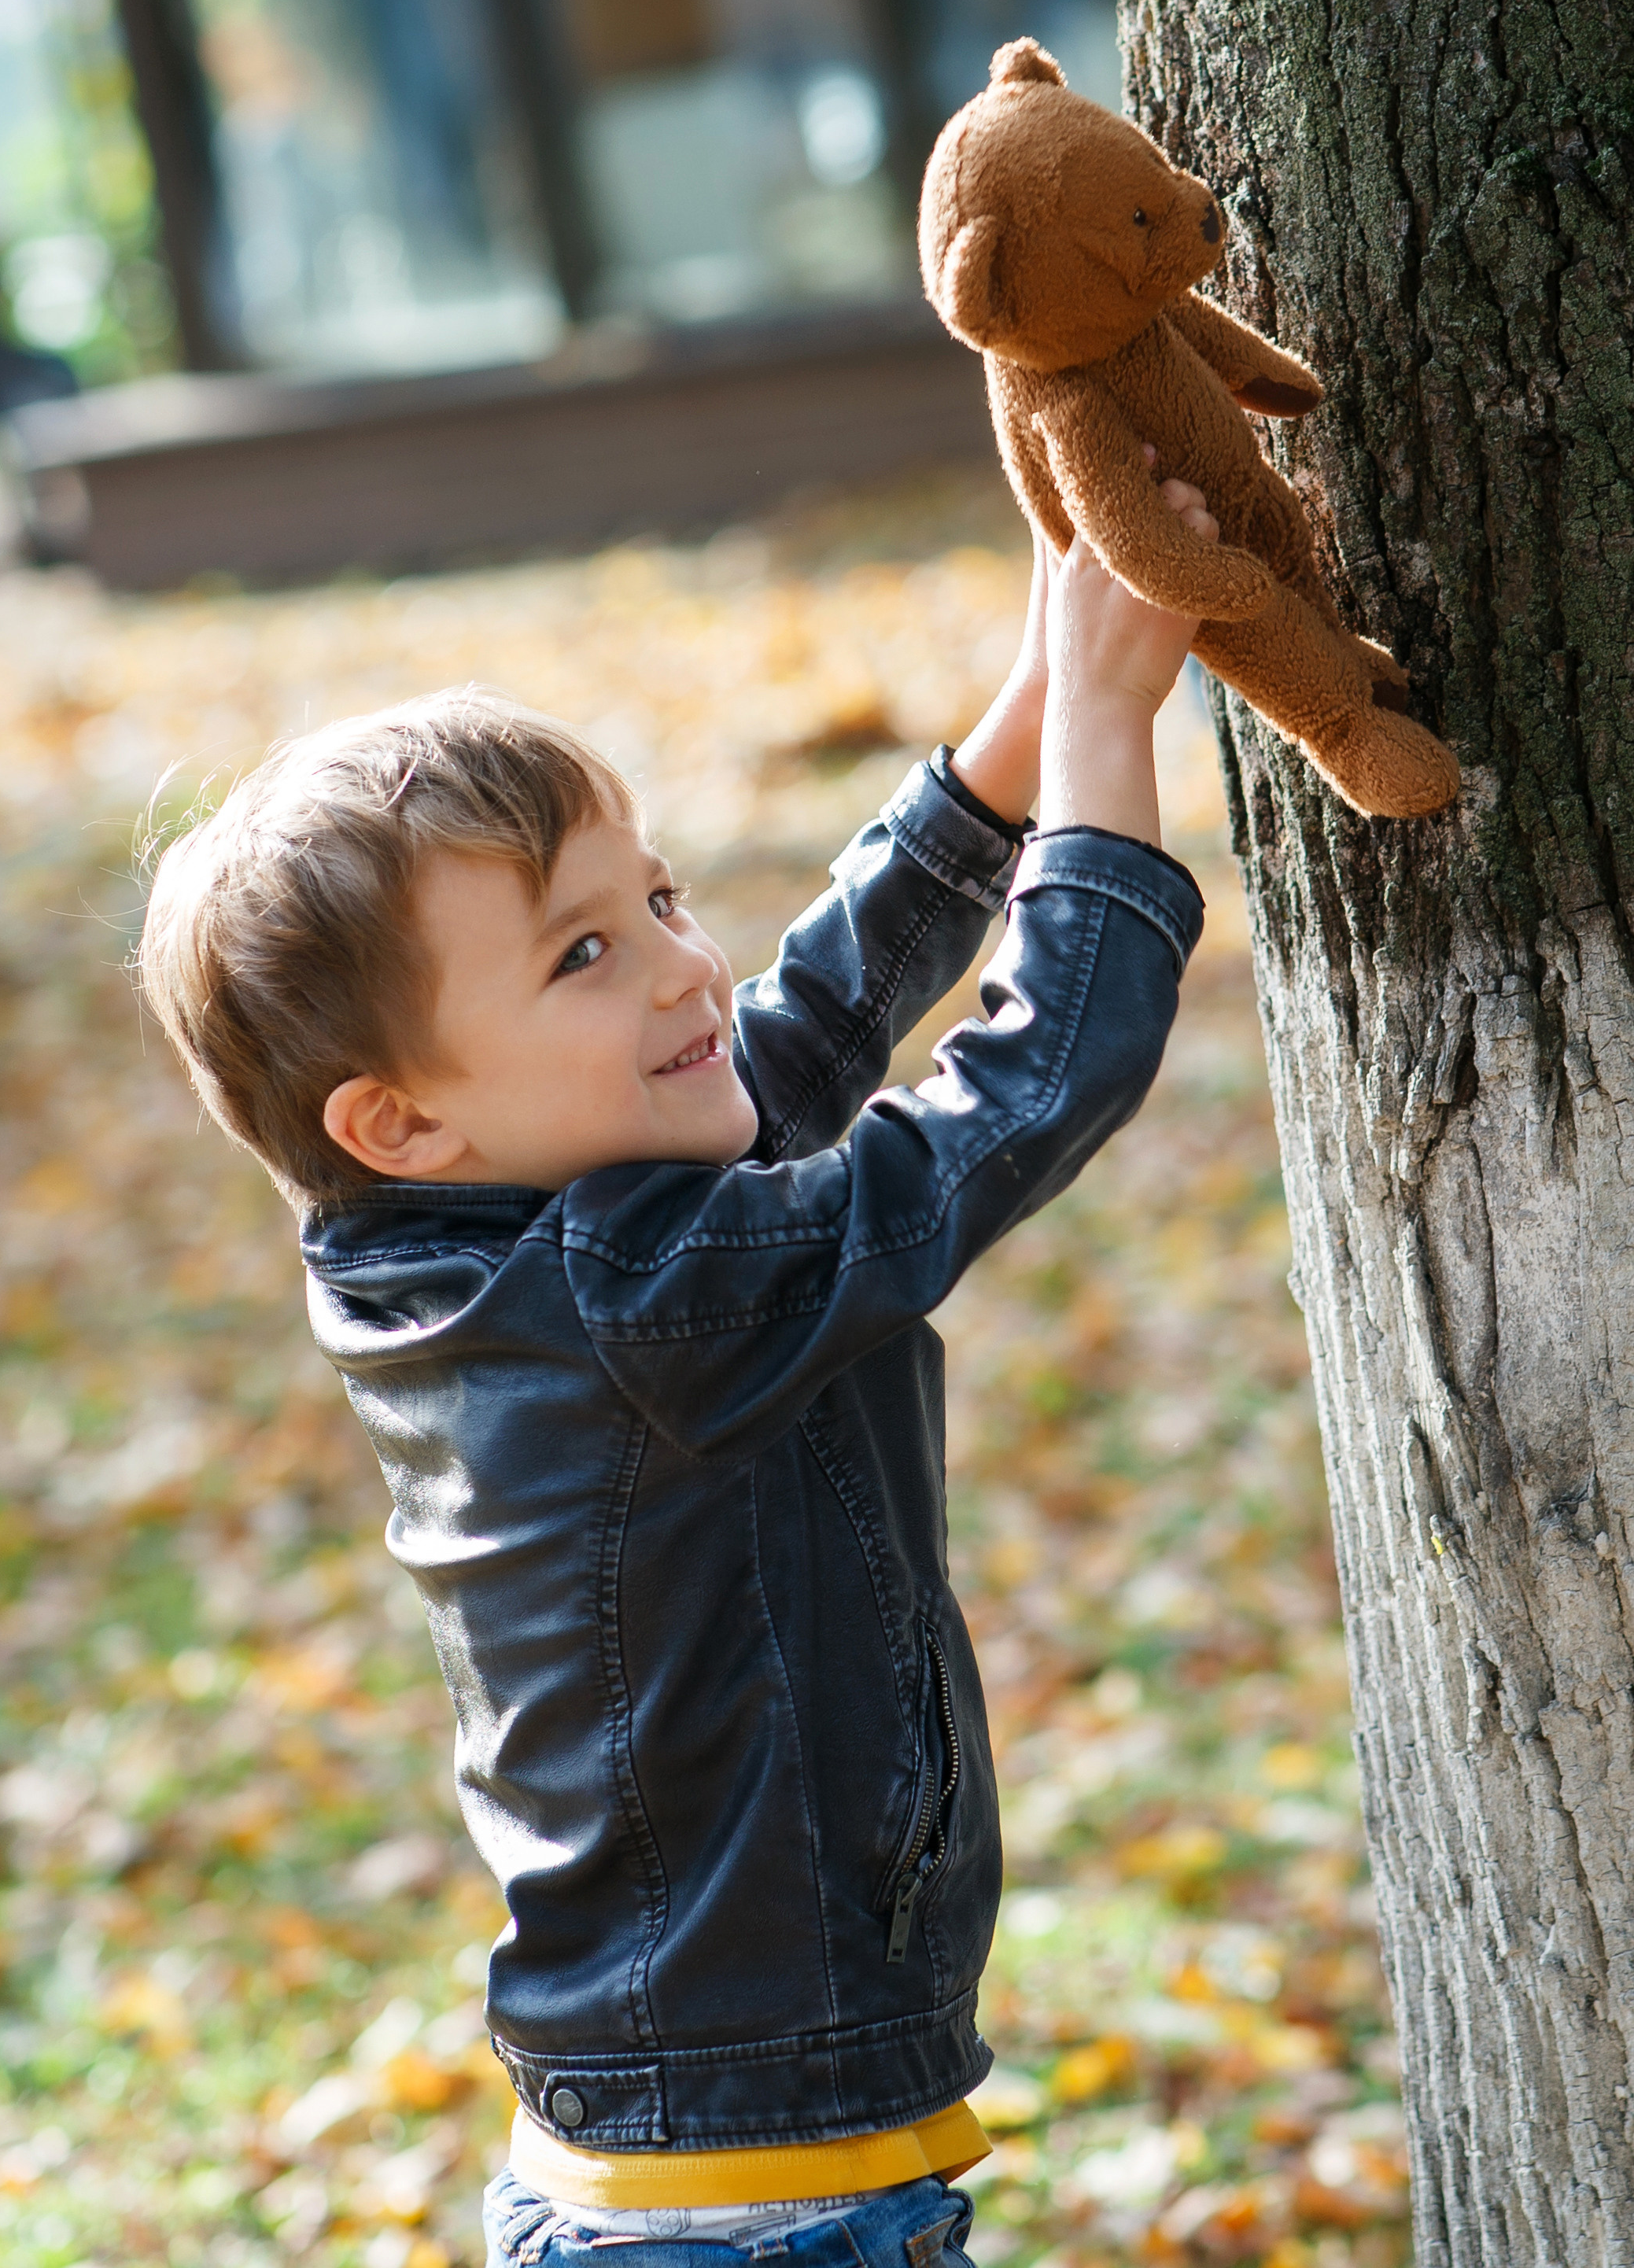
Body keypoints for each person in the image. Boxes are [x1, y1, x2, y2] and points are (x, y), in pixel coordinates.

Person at [136, 473, 1218, 2268]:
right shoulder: (627, 1296)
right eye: (582, 950)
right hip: (746, 2215)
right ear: (400, 1117)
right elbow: (1018, 1098)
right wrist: (1113, 726)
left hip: (723, 2167)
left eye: (658, 894)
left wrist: (1037, 694)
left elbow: (811, 1016)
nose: (676, 964)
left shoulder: (524, 1232)